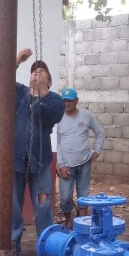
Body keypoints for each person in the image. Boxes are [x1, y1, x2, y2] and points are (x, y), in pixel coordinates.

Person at [13, 48, 65, 256]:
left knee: (43, 206)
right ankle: (12, 245)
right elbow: (0, 80)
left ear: (50, 82)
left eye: (43, 71)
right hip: (15, 159)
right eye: (35, 70)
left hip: (40, 161)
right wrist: (16, 61)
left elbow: (54, 116)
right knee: (12, 205)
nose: (37, 72)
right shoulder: (19, 93)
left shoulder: (54, 99)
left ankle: (47, 246)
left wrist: (42, 93)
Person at [55, 87, 105, 228]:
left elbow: (100, 133)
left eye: (70, 100)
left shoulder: (86, 116)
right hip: (67, 165)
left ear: (76, 101)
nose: (67, 103)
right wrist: (61, 164)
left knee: (83, 193)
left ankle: (82, 221)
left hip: (84, 161)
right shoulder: (58, 118)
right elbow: (57, 143)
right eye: (64, 101)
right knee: (65, 197)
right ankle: (68, 219)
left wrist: (97, 150)